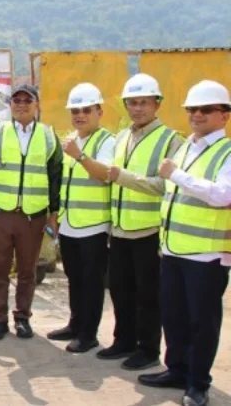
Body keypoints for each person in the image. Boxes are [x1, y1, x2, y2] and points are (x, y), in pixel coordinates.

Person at [138, 80, 231, 406]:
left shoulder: (227, 153)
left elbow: (223, 195)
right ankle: (176, 370)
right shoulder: (185, 147)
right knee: (174, 316)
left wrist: (177, 175)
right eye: (192, 109)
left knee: (202, 322)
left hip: (206, 255)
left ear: (224, 116)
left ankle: (198, 383)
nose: (197, 115)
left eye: (206, 109)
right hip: (173, 249)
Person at [0, 84, 63, 340]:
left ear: (36, 105)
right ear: (10, 105)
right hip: (0, 212)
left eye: (27, 100)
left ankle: (22, 318)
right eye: (16, 100)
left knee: (27, 271)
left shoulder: (48, 136)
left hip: (33, 215)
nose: (21, 104)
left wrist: (54, 213)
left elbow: (55, 176)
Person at [104, 73, 183, 370]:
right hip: (120, 229)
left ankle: (148, 349)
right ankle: (123, 340)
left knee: (148, 295)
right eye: (132, 103)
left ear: (157, 104)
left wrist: (124, 178)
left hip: (149, 231)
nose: (137, 109)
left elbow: (166, 186)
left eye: (144, 103)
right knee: (120, 290)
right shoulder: (122, 137)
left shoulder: (171, 140)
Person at [46, 83, 115, 353]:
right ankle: (75, 324)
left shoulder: (107, 141)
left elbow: (105, 175)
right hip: (70, 224)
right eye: (75, 111)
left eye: (87, 110)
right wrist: (56, 216)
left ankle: (88, 334)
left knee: (91, 282)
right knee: (74, 278)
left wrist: (80, 155)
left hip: (94, 225)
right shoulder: (71, 140)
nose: (80, 115)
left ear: (99, 112)